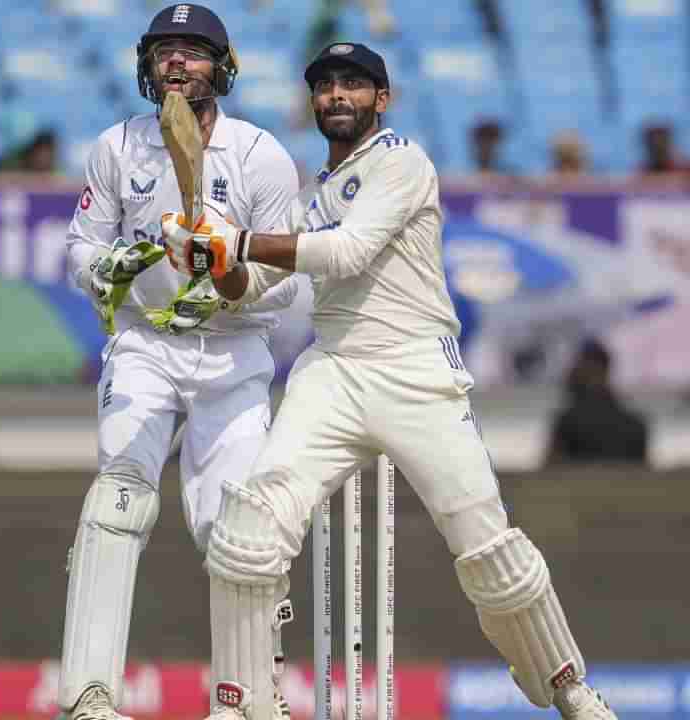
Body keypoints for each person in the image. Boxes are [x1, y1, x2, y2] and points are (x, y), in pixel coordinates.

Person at [161, 42, 617, 719]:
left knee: (492, 553)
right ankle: (241, 703)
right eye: (324, 86)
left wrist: (239, 238)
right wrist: (208, 253)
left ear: (383, 97)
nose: (337, 96)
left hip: (415, 370)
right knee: (249, 530)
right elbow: (243, 289)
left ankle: (569, 690)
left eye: (353, 84)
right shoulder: (312, 197)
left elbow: (347, 252)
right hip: (334, 370)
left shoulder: (404, 162)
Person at [59, 5, 301, 720]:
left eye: (192, 52)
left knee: (235, 531)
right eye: (165, 50)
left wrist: (226, 285)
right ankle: (89, 696)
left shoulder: (261, 155)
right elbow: (80, 244)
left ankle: (245, 699)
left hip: (234, 352)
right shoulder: (117, 146)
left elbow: (283, 275)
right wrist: (108, 266)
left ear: (220, 67)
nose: (176, 62)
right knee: (119, 498)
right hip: (143, 344)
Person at [549, 338, 648, 463]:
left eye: (576, 365)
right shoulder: (636, 425)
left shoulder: (568, 423)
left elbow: (550, 474)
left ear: (594, 369)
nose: (569, 374)